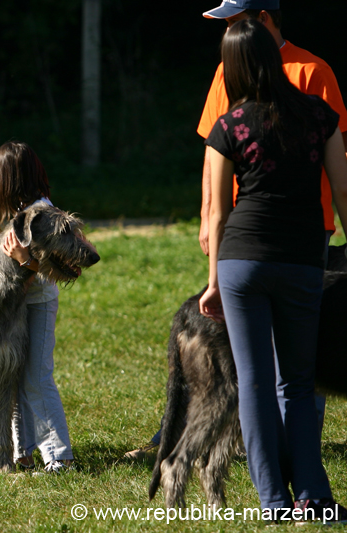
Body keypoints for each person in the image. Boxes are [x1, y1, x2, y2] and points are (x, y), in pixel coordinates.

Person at [126, 0, 347, 461]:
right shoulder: (229, 68)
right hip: (241, 231)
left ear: (265, 18)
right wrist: (211, 217)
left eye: (234, 21)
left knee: (304, 343)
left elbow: (335, 156)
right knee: (243, 348)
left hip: (305, 230)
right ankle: (254, 444)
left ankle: (295, 442)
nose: (226, 30)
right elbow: (215, 148)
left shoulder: (312, 71)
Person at [199, 18, 347, 520]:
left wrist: (215, 280)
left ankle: (273, 503)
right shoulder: (319, 117)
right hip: (304, 259)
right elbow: (343, 191)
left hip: (243, 263)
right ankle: (313, 499)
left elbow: (219, 212)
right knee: (298, 385)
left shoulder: (229, 125)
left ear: (235, 66)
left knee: (256, 383)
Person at [0, 141, 74, 474]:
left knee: (37, 378)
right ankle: (21, 451)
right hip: (16, 305)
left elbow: (59, 265)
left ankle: (60, 457)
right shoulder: (18, 212)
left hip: (38, 303)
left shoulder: (43, 212)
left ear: (9, 179)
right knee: (14, 376)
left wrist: (25, 259)